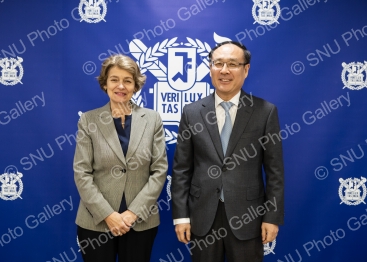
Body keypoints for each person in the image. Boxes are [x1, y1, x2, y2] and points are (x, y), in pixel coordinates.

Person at [171, 41, 284, 262]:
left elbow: (275, 172)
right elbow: (182, 169)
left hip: (248, 217)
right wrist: (181, 217)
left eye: (232, 64)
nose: (224, 70)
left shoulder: (265, 112)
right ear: (210, 68)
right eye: (218, 63)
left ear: (246, 69)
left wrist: (272, 217)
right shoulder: (192, 113)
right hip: (202, 216)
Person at [74, 54, 168, 262]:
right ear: (105, 84)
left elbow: (159, 170)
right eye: (114, 79)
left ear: (136, 85)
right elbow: (82, 173)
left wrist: (133, 213)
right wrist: (108, 215)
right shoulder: (88, 120)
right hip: (96, 222)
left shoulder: (152, 119)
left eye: (128, 80)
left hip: (141, 221)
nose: (121, 86)